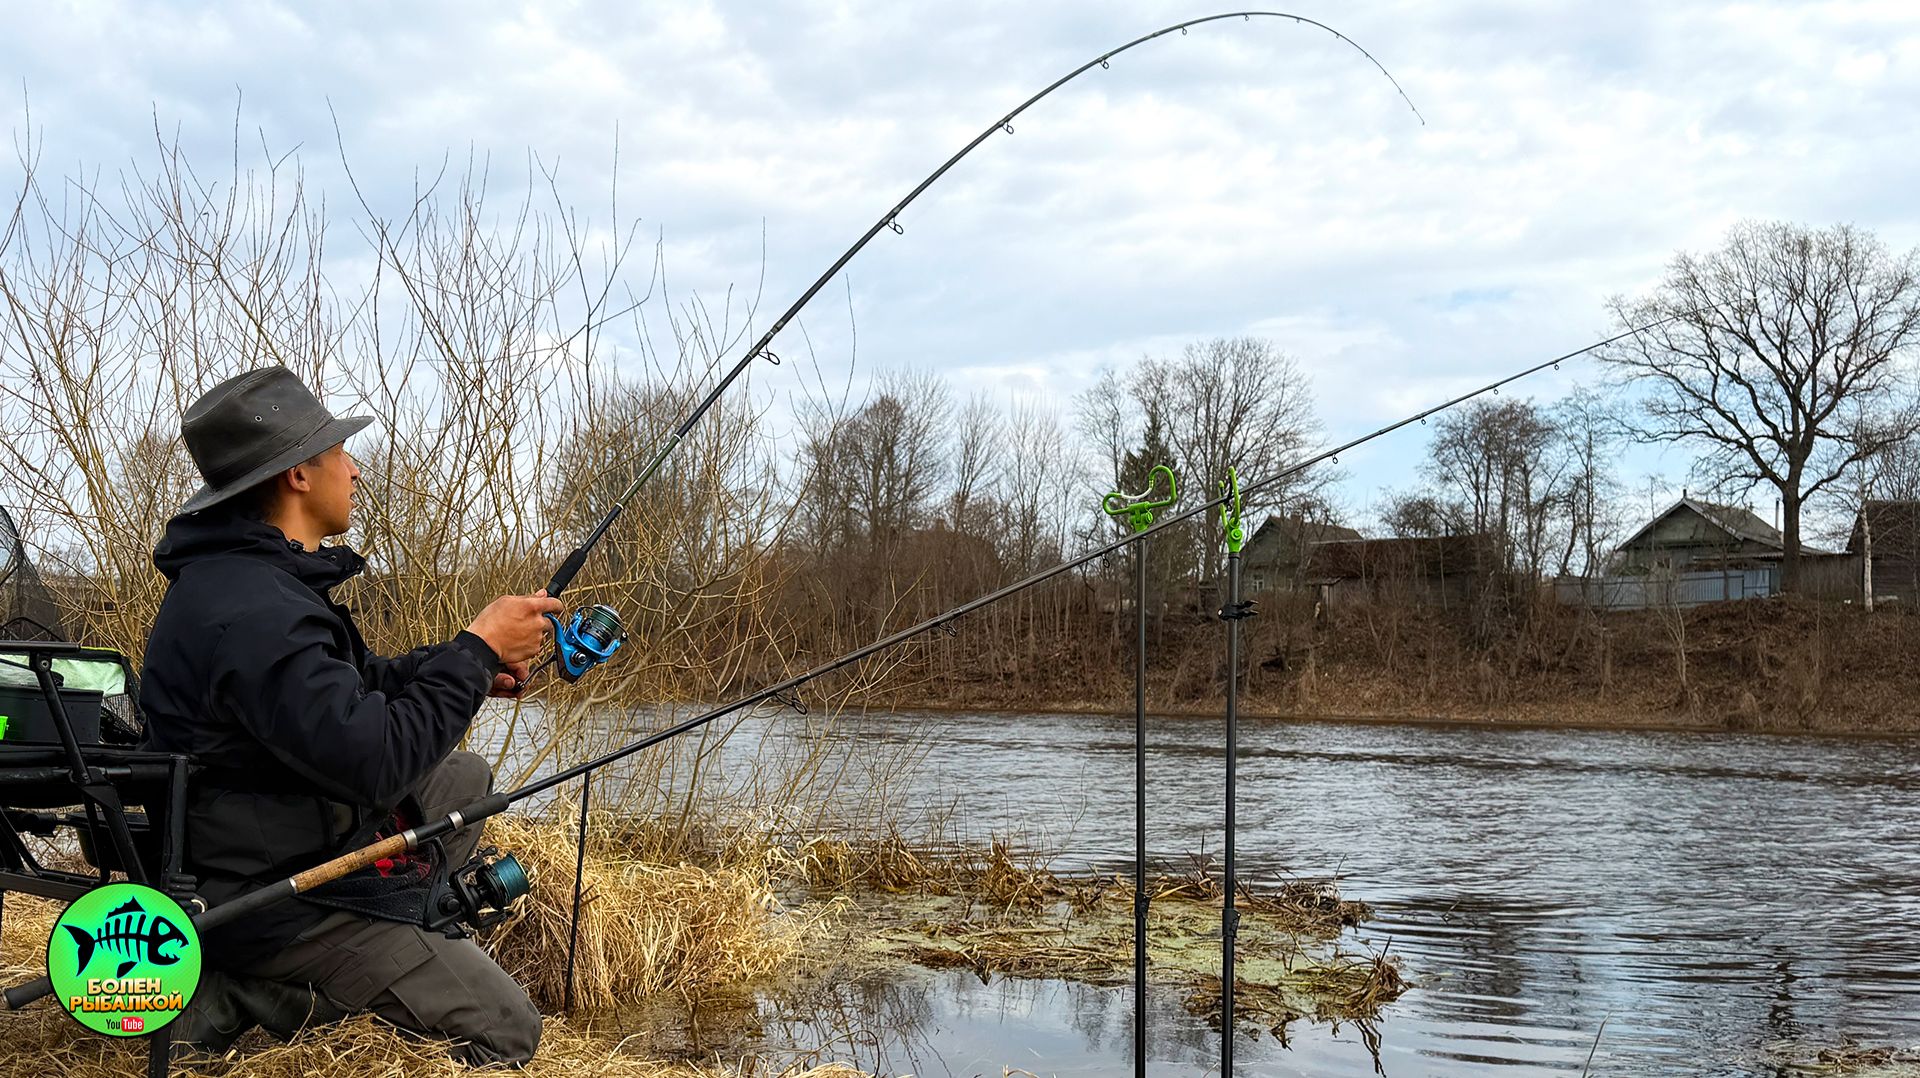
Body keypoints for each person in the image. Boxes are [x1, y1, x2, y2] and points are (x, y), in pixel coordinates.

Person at [140, 366, 561, 1065]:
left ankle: (404, 930)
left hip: (277, 840)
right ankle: (250, 991)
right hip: (268, 900)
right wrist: (476, 648)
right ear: (298, 476)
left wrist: (468, 667)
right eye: (339, 452)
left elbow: (358, 685)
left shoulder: (250, 582)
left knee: (464, 778)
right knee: (509, 1026)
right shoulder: (254, 612)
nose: (355, 468)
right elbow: (376, 764)